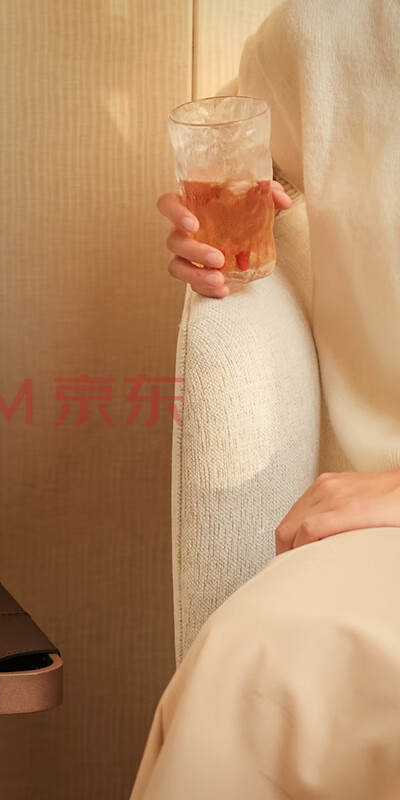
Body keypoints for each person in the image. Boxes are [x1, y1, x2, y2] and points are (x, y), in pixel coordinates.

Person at [131, 1, 400, 797]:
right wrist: (205, 229)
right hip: (380, 538)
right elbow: (236, 157)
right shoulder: (323, 31)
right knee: (252, 659)